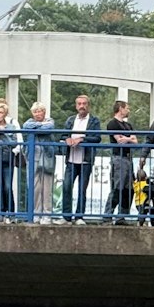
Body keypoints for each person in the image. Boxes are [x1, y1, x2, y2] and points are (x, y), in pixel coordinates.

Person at [61, 94, 98, 222]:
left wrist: (81, 139)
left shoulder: (94, 121)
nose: (82, 106)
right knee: (66, 187)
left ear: (88, 105)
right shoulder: (71, 120)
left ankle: (79, 216)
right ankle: (66, 217)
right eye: (79, 104)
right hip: (71, 160)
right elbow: (63, 134)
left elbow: (97, 137)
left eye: (84, 104)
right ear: (76, 106)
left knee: (82, 189)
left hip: (85, 160)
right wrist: (67, 139)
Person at [22, 102, 58, 221]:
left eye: (40, 111)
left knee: (47, 188)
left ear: (44, 112)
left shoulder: (50, 121)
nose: (38, 114)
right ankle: (36, 213)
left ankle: (47, 214)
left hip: (47, 157)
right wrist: (40, 126)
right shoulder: (29, 121)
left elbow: (48, 128)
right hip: (33, 157)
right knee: (34, 187)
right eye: (35, 112)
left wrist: (37, 128)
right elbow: (26, 127)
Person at [104, 100, 139, 222]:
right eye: (127, 108)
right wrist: (129, 139)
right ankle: (108, 214)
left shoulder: (128, 125)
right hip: (119, 158)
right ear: (120, 109)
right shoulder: (112, 124)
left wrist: (127, 139)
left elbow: (135, 141)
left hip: (128, 158)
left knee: (129, 188)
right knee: (117, 187)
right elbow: (119, 140)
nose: (128, 110)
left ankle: (122, 215)